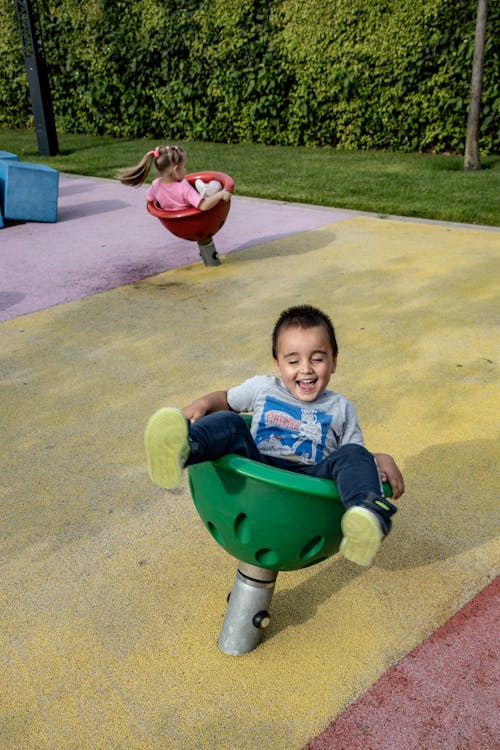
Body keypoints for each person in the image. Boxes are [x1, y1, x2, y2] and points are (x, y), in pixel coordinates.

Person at [145, 305, 405, 567]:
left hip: (309, 478)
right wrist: (201, 405)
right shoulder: (264, 387)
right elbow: (226, 399)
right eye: (293, 361)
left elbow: (351, 459)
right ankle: (180, 447)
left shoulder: (340, 407)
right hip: (258, 463)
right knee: (229, 421)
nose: (306, 369)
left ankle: (366, 516)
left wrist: (377, 459)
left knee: (354, 453)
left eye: (317, 359)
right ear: (278, 364)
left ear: (334, 361)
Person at [117, 144, 231, 211]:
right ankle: (206, 191)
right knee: (216, 185)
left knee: (192, 185)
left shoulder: (156, 184)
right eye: (184, 167)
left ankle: (204, 190)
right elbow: (204, 206)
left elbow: (149, 198)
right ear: (176, 170)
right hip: (194, 219)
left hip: (174, 224)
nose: (186, 170)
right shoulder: (183, 188)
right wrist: (220, 195)